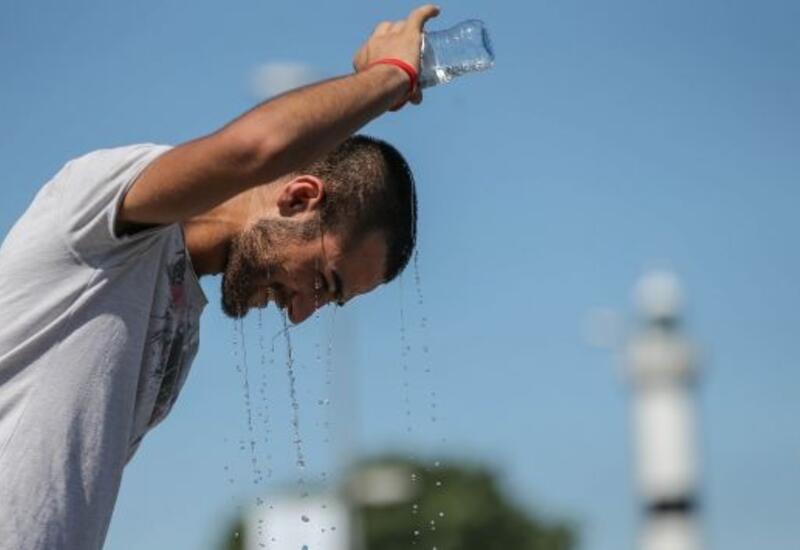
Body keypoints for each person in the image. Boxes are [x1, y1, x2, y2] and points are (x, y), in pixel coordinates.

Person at [0, 5, 440, 549]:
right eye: (324, 282)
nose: (302, 313)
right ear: (300, 198)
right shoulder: (101, 217)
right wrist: (390, 76)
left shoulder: (181, 326)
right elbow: (251, 150)